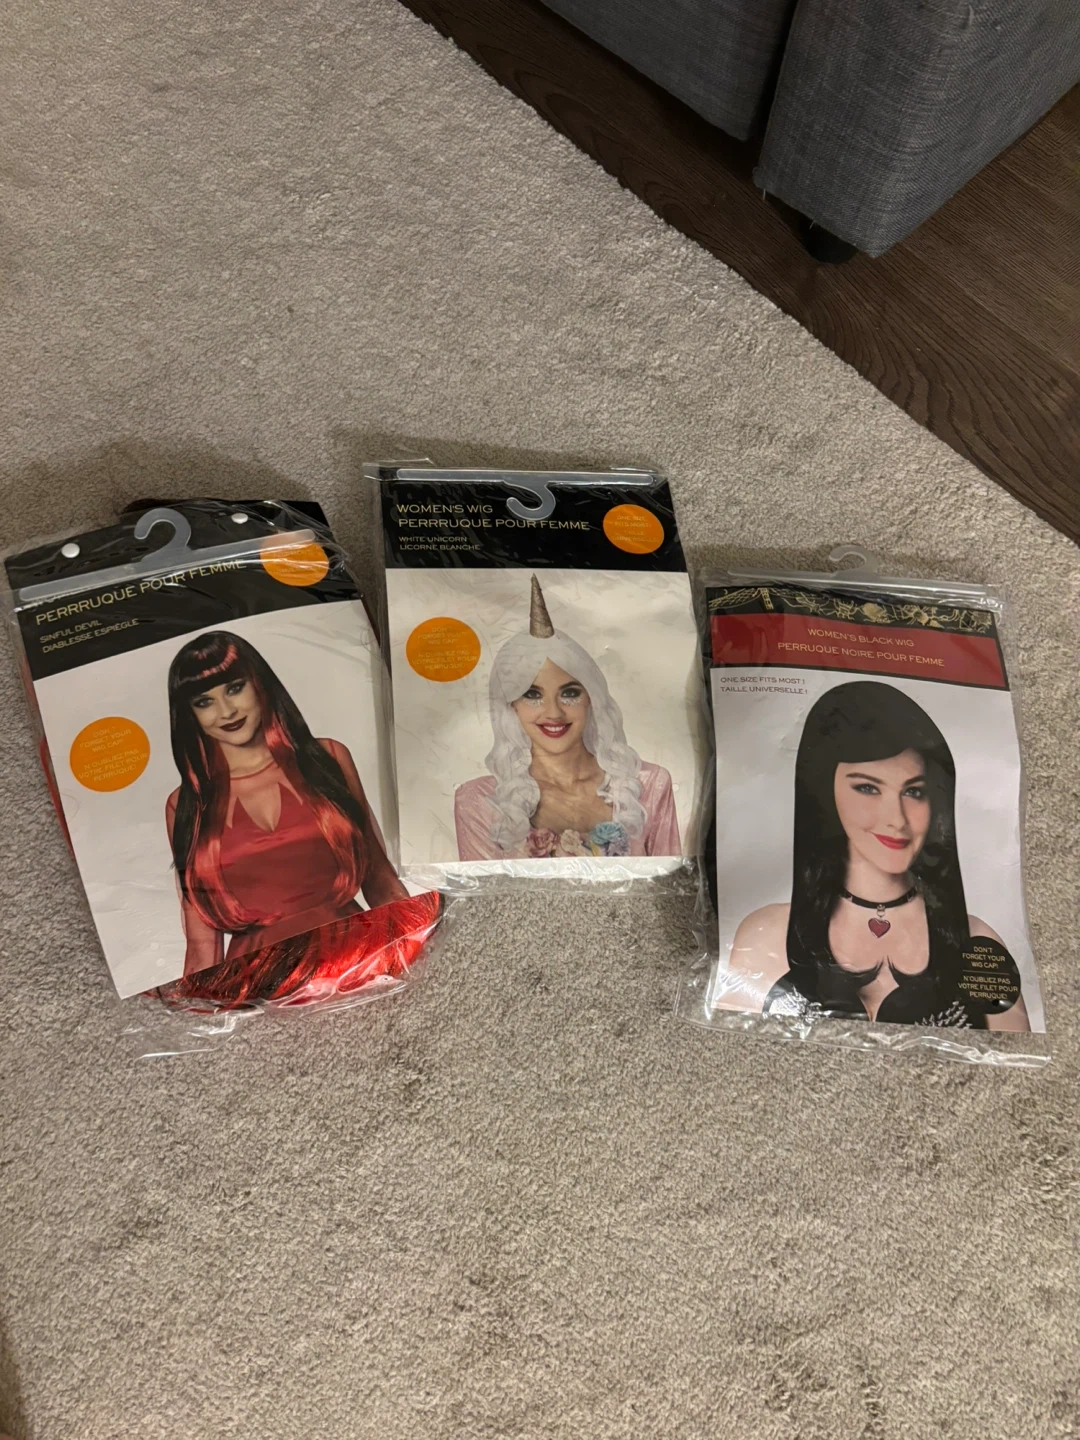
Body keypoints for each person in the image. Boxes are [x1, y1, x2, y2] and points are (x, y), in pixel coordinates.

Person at [726, 680, 1029, 1030]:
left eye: (914, 792)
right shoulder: (765, 935)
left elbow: (1012, 1057)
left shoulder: (978, 944)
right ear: (823, 790)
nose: (897, 819)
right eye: (867, 788)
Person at [166, 630, 407, 977]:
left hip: (358, 956)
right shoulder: (186, 804)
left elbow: (380, 879)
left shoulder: (328, 758)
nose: (226, 711)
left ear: (259, 684)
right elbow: (202, 940)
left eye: (235, 688)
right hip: (260, 981)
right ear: (189, 715)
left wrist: (414, 949)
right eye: (204, 702)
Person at [454, 576, 680, 861]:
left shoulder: (648, 785)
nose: (554, 712)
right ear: (511, 706)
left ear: (592, 698)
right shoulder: (480, 800)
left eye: (569, 693)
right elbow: (484, 891)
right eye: (532, 694)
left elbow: (675, 883)